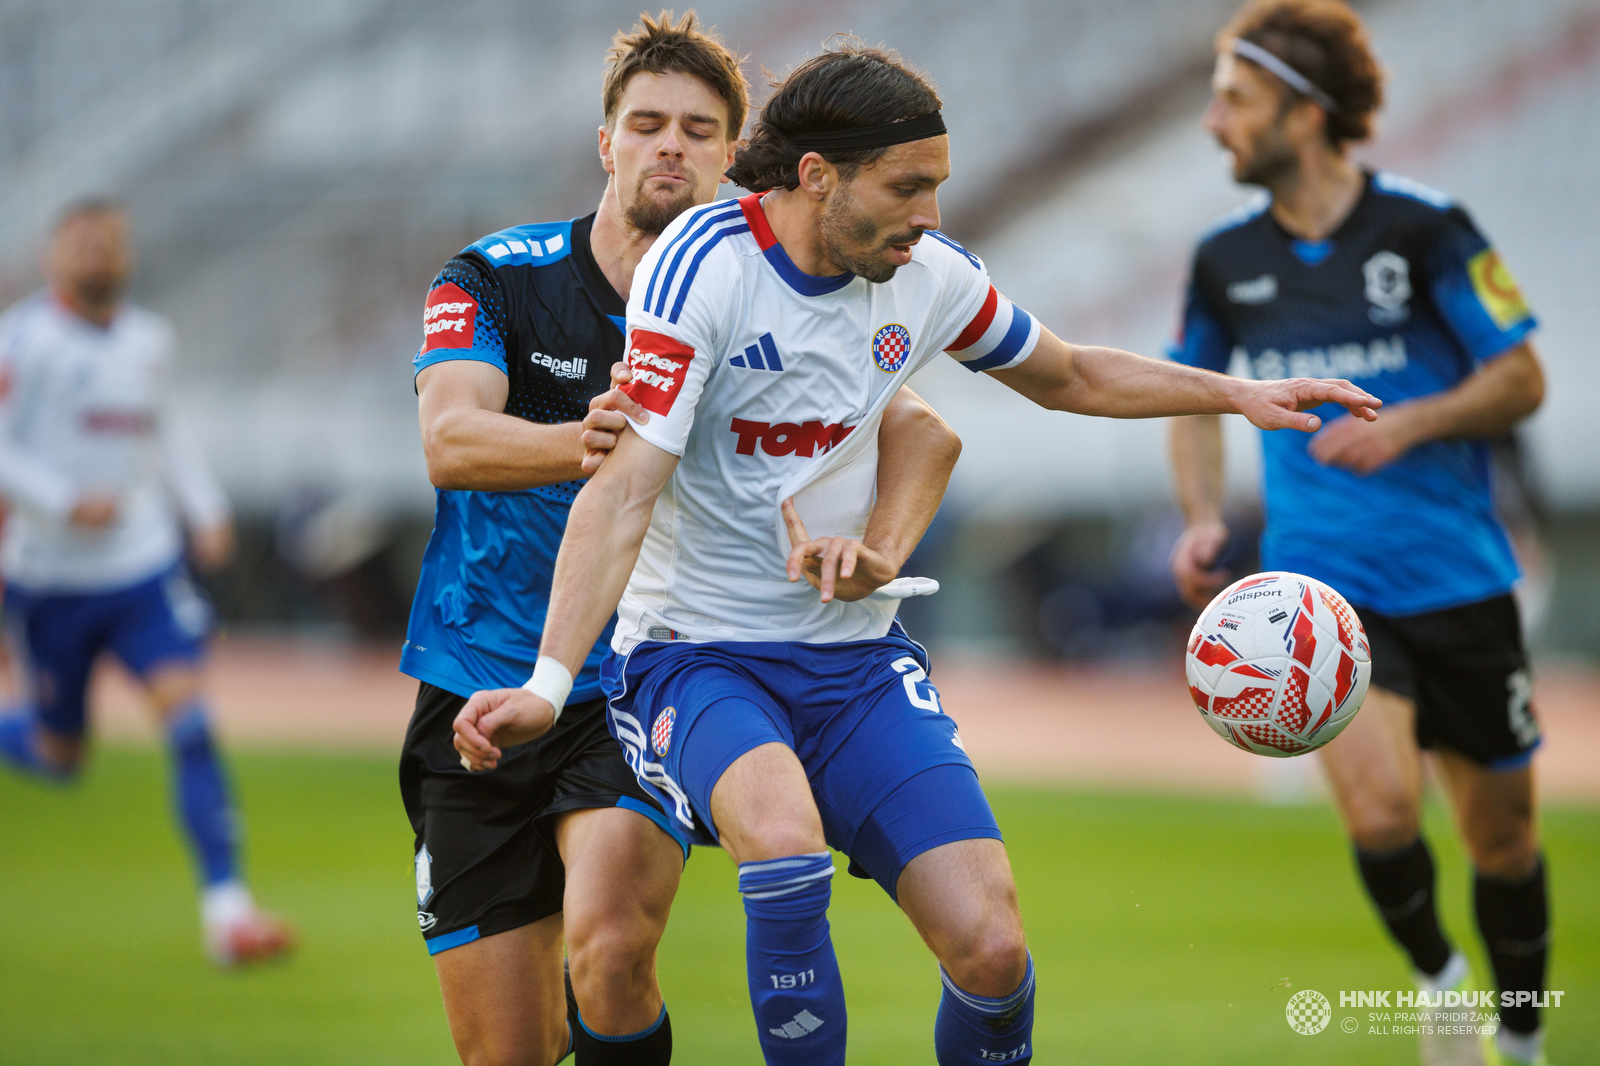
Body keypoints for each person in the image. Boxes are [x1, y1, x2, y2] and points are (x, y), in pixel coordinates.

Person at [452, 41, 1380, 1066]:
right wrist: (546, 681)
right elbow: (623, 483)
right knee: (782, 846)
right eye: (908, 187)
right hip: (695, 650)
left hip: (854, 664)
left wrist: (1236, 394)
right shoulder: (701, 266)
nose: (930, 214)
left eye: (935, 185)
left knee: (991, 948)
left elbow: (1067, 374)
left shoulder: (926, 275)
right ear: (817, 177)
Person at [399, 14, 964, 1066]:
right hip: (477, 671)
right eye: (647, 123)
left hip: (638, 671)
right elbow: (449, 439)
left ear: (737, 156)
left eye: (700, 131)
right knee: (506, 1052)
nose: (672, 147)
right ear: (604, 142)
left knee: (611, 953)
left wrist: (881, 541)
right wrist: (601, 442)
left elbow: (918, 421)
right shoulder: (493, 276)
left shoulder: (743, 285)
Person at [1166, 3, 1551, 1064]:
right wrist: (1202, 517)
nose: (1214, 123)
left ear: (1304, 111)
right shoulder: (1221, 260)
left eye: (1234, 101)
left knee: (1502, 839)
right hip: (1323, 597)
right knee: (1380, 816)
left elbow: (1521, 375)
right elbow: (1193, 395)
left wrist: (1411, 425)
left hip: (1459, 578)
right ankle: (1443, 985)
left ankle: (1522, 1037)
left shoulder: (1428, 228)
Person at [0, 199, 294, 966]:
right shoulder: (23, 343)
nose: (98, 256)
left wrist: (205, 508)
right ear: (53, 256)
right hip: (48, 579)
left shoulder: (147, 340)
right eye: (83, 243)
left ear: (127, 256)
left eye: (110, 243)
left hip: (139, 569)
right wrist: (62, 502)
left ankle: (228, 915)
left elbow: (163, 431)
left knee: (190, 720)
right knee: (59, 757)